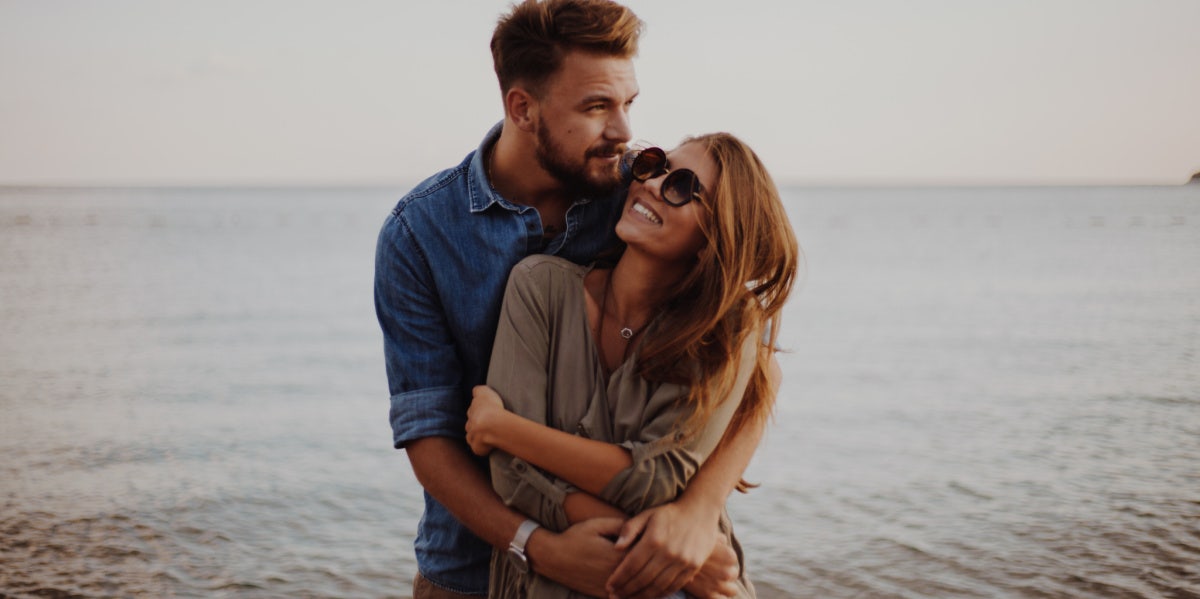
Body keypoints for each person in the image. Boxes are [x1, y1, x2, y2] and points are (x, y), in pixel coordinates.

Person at [375, 1, 772, 597]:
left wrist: (695, 515)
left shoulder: (638, 194)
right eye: (595, 107)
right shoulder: (420, 233)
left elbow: (750, 369)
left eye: (627, 103)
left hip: (650, 569)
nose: (623, 133)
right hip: (469, 571)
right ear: (522, 107)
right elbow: (429, 437)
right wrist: (536, 545)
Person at [465, 135, 799, 598]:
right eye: (655, 165)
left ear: (714, 238)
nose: (651, 184)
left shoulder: (721, 332)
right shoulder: (539, 288)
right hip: (586, 580)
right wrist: (674, 548)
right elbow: (511, 475)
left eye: (681, 186)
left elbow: (656, 479)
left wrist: (501, 428)